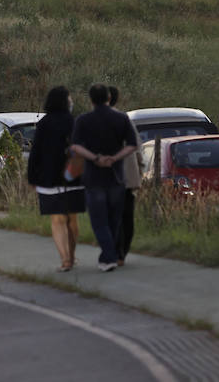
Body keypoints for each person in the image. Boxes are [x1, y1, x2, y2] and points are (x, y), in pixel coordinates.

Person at [67, 83, 138, 272]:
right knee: (114, 219)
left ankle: (109, 256)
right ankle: (110, 255)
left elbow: (75, 146)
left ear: (90, 100)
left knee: (99, 220)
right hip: (116, 175)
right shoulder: (121, 118)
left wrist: (95, 158)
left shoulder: (83, 120)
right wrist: (115, 158)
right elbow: (132, 144)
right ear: (108, 98)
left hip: (93, 176)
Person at [25, 85, 84, 272]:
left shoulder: (43, 124)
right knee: (72, 219)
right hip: (73, 177)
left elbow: (35, 153)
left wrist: (32, 177)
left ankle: (65, 260)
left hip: (48, 179)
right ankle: (73, 256)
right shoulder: (74, 122)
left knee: (57, 220)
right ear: (66, 102)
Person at [108, 85, 142, 267]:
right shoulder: (125, 120)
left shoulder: (90, 120)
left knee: (110, 216)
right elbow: (138, 149)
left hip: (105, 179)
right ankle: (121, 252)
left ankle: (114, 250)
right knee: (126, 218)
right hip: (127, 179)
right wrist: (140, 173)